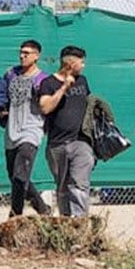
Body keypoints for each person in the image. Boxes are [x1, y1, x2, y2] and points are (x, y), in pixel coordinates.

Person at [39, 45, 95, 217]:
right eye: (81, 62)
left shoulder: (83, 81)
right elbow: (46, 108)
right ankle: (66, 226)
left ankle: (80, 225)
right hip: (56, 145)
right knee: (62, 188)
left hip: (80, 142)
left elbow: (90, 104)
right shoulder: (48, 83)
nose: (83, 66)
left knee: (79, 185)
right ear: (70, 63)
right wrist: (63, 87)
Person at [0, 40, 52, 217]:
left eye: (27, 53)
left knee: (20, 176)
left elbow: (49, 105)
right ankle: (43, 210)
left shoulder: (42, 79)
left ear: (36, 56)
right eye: (21, 52)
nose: (22, 55)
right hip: (11, 132)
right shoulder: (10, 74)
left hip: (31, 131)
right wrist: (0, 109)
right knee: (15, 177)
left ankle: (15, 216)